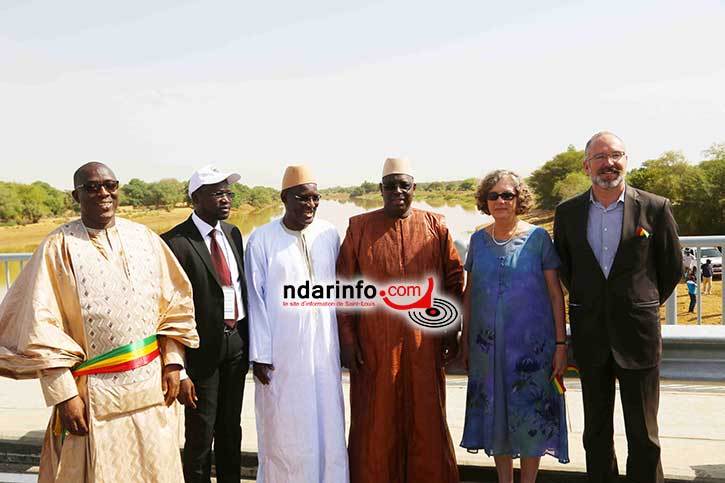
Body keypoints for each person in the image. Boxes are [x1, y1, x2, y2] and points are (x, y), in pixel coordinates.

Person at [0, 162, 199, 483]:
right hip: (92, 399)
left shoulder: (145, 238)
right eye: (92, 187)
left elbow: (174, 307)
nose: (103, 193)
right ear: (75, 195)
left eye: (110, 185)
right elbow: (41, 331)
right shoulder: (57, 247)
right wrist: (64, 395)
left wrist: (175, 364)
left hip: (151, 392)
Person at [554, 132, 682, 483]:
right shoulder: (567, 213)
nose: (609, 163)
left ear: (627, 160)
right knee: (595, 432)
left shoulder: (655, 207)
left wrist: (639, 303)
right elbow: (567, 268)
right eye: (600, 157)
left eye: (617, 155)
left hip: (637, 336)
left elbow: (671, 269)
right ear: (586, 165)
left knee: (643, 435)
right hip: (590, 334)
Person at [336, 157, 464, 483]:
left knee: (427, 416)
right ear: (380, 189)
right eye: (390, 185)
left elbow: (453, 281)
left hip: (425, 344)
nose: (397, 191)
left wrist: (451, 333)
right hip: (374, 343)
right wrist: (348, 340)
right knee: (376, 419)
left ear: (413, 189)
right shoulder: (359, 228)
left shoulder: (436, 225)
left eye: (403, 185)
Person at [460, 170, 569, 483]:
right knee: (496, 415)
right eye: (493, 195)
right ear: (485, 201)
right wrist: (465, 339)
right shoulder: (478, 240)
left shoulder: (537, 238)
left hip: (532, 350)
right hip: (487, 348)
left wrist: (561, 345)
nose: (500, 201)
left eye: (507, 194)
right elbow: (469, 294)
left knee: (530, 414)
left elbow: (554, 293)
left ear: (520, 199)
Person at [245, 165, 348, 482]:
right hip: (282, 355)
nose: (310, 205)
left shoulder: (329, 234)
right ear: (284, 198)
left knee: (328, 423)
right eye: (303, 198)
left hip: (324, 352)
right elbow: (255, 300)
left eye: (316, 198)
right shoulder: (261, 239)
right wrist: (260, 354)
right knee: (286, 427)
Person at [161, 166, 249, 483]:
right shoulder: (174, 243)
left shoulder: (233, 234)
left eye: (228, 192)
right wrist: (180, 369)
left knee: (231, 428)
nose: (225, 199)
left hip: (236, 346)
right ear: (196, 198)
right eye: (217, 193)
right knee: (201, 433)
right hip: (201, 355)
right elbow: (168, 310)